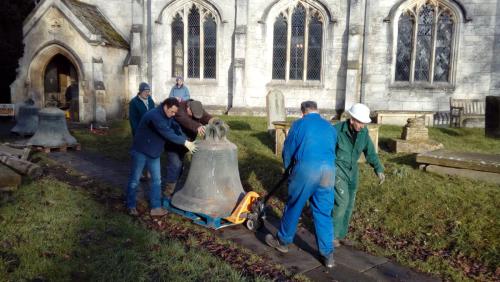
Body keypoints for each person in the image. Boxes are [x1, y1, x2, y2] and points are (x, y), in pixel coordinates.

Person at [265, 101, 337, 268]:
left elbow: (288, 149)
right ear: (317, 110)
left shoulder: (299, 124)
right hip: (329, 171)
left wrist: (288, 169)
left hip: (307, 170)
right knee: (323, 212)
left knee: (294, 205)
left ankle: (282, 242)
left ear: (303, 112)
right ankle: (328, 255)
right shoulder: (329, 126)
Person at [126, 97, 198, 217]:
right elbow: (166, 132)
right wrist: (185, 142)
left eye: (175, 112)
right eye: (172, 112)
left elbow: (175, 127)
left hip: (154, 152)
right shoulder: (154, 116)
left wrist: (186, 138)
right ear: (165, 107)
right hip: (141, 151)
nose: (173, 114)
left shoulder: (168, 116)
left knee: (156, 180)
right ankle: (130, 205)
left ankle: (155, 208)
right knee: (135, 180)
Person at [332, 103, 385, 247]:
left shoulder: (364, 133)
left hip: (352, 172)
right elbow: (326, 151)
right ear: (352, 120)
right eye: (360, 122)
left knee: (349, 204)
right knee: (341, 202)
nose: (363, 125)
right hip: (337, 170)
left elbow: (371, 152)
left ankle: (341, 234)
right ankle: (332, 235)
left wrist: (378, 169)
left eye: (364, 123)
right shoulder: (336, 131)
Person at [163, 99, 212, 197]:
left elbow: (205, 116)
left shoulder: (196, 107)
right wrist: (197, 126)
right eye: (193, 115)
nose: (195, 117)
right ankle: (167, 194)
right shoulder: (179, 109)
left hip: (185, 145)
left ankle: (173, 188)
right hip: (174, 144)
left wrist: (214, 120)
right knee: (175, 166)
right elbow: (185, 120)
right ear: (188, 109)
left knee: (179, 167)